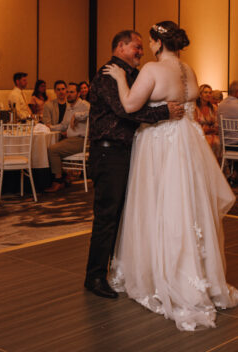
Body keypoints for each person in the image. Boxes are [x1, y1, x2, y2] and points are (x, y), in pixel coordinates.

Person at [103, 21, 238, 331]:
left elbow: (129, 105)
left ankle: (162, 275)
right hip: (186, 143)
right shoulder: (189, 70)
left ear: (156, 42)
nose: (147, 47)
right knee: (187, 206)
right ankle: (199, 275)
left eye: (150, 41)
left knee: (158, 205)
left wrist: (119, 80)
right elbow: (192, 98)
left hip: (158, 143)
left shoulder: (153, 70)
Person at [84, 30, 184, 301]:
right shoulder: (108, 74)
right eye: (136, 47)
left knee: (121, 216)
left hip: (126, 152)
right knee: (107, 216)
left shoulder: (129, 75)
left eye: (142, 47)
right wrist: (165, 112)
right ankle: (94, 276)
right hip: (108, 154)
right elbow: (125, 110)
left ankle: (114, 269)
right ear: (120, 46)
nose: (140, 51)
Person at [45, 82, 90, 192]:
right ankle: (64, 177)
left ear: (78, 93)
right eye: (68, 92)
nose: (68, 94)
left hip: (81, 140)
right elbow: (64, 125)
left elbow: (94, 112)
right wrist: (49, 127)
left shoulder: (84, 105)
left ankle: (58, 181)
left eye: (72, 92)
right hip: (71, 140)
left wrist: (77, 115)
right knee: (51, 146)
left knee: (52, 150)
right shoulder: (69, 106)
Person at [194, 84, 220, 158]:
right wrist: (205, 130)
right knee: (206, 142)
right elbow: (194, 125)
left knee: (218, 142)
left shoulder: (214, 108)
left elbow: (216, 124)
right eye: (205, 92)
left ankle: (217, 167)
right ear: (200, 94)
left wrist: (212, 129)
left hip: (212, 134)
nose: (208, 94)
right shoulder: (195, 108)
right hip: (199, 135)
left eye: (210, 92)